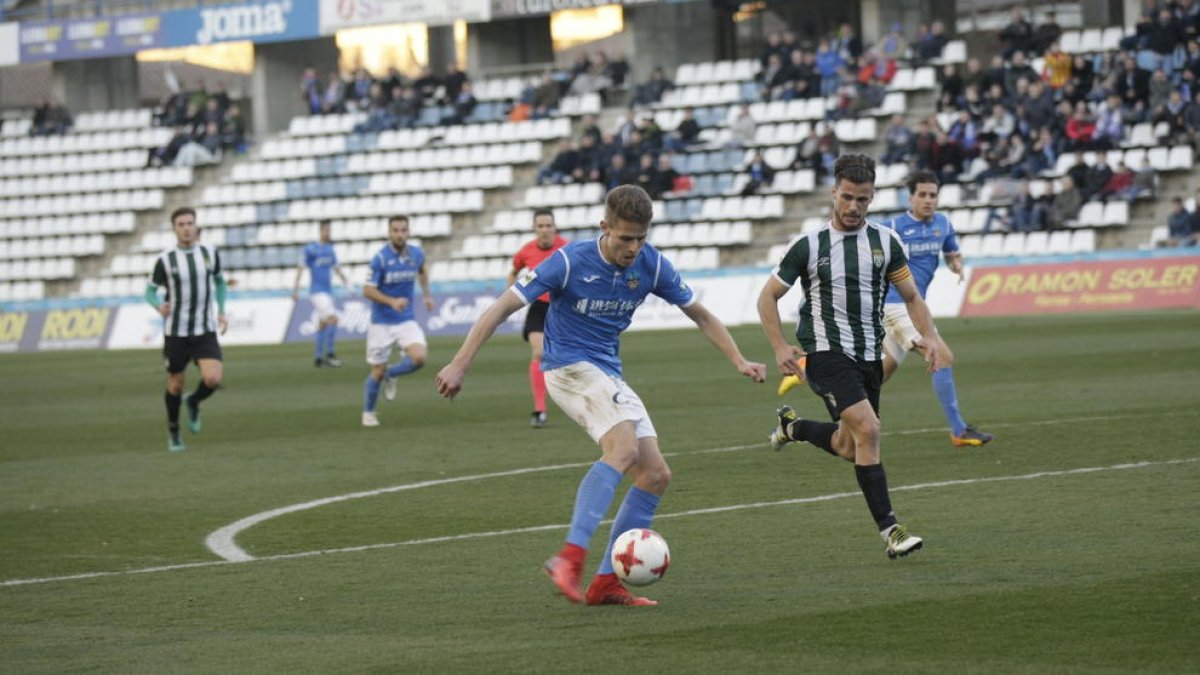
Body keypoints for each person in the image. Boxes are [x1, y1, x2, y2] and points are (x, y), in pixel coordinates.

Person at [435, 185, 766, 606]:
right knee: (624, 447)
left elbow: (699, 313)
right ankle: (569, 558)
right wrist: (460, 363)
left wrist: (738, 359)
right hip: (567, 367)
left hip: (606, 372)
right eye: (625, 238)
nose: (633, 247)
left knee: (655, 475)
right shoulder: (569, 261)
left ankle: (606, 580)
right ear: (604, 227)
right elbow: (501, 307)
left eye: (641, 238)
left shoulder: (652, 264)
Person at [757, 154, 939, 559]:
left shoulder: (887, 242)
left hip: (867, 356)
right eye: (848, 197)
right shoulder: (808, 246)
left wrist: (928, 337)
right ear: (833, 193)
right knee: (870, 431)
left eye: (864, 199)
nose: (854, 207)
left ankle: (792, 428)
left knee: (848, 445)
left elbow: (911, 296)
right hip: (824, 353)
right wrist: (780, 346)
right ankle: (891, 530)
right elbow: (767, 296)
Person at [878, 171, 992, 446]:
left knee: (883, 370)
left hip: (916, 308)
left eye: (933, 195)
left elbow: (952, 252)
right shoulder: (892, 226)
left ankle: (808, 367)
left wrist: (957, 265)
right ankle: (959, 431)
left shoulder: (943, 224)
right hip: (893, 304)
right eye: (923, 195)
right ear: (911, 197)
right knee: (941, 356)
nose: (928, 200)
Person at [144, 207, 228, 452]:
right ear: (174, 228)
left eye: (190, 223)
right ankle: (173, 429)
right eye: (181, 224)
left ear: (196, 225)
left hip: (204, 328)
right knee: (175, 384)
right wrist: (158, 305)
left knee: (213, 378)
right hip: (176, 332)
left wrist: (222, 310)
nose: (186, 228)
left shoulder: (209, 252)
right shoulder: (165, 259)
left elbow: (220, 281)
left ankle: (194, 400)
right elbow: (149, 291)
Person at [361, 215, 434, 427]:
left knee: (419, 358)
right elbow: (367, 290)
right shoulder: (380, 259)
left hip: (405, 320)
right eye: (396, 230)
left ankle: (391, 373)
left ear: (408, 232)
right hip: (381, 322)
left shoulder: (416, 254)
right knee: (376, 370)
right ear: (389, 232)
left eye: (403, 230)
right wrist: (391, 301)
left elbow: (423, 271)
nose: (400, 234)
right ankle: (369, 413)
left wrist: (427, 295)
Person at [505, 210, 568, 427]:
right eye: (540, 226)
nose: (544, 230)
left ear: (554, 227)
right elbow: (513, 272)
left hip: (564, 309)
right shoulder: (526, 251)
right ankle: (540, 409)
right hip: (539, 308)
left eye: (548, 225)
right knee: (539, 352)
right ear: (535, 229)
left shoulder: (566, 248)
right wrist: (512, 295)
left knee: (570, 358)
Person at [293, 219, 351, 367]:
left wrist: (346, 282)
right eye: (325, 230)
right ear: (320, 231)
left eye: (329, 230)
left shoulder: (330, 249)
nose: (328, 233)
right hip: (317, 291)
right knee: (333, 319)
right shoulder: (311, 249)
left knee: (323, 324)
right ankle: (330, 355)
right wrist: (296, 289)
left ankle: (318, 358)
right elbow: (301, 268)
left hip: (327, 291)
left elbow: (336, 267)